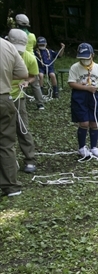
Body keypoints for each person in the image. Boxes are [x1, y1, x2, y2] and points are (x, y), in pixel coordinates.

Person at [67, 43, 98, 158]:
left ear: (92, 55)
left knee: (94, 122)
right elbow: (71, 83)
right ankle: (82, 148)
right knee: (84, 122)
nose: (85, 60)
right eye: (82, 58)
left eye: (87, 58)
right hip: (79, 96)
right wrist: (86, 88)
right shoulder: (75, 67)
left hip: (94, 97)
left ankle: (94, 147)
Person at [0, 37, 29, 197]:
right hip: (4, 98)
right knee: (5, 143)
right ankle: (11, 186)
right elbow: (22, 73)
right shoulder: (7, 46)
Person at [8, 29, 39, 174]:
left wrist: (27, 82)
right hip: (3, 96)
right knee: (5, 131)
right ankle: (8, 162)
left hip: (18, 97)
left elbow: (33, 75)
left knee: (22, 127)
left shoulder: (29, 58)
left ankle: (30, 159)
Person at [15, 13, 45, 109]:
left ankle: (20, 100)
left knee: (18, 80)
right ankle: (40, 103)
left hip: (19, 58)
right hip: (31, 60)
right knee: (34, 82)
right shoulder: (32, 36)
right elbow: (34, 45)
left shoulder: (14, 34)